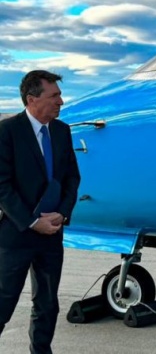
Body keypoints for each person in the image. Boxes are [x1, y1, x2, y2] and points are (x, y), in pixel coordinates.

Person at [0, 70, 81, 354]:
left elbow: (72, 177)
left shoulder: (62, 131)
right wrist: (33, 221)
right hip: (17, 233)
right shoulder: (7, 131)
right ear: (32, 99)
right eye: (54, 95)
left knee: (47, 304)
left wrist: (62, 213)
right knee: (4, 302)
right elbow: (2, 186)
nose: (61, 100)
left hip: (51, 234)